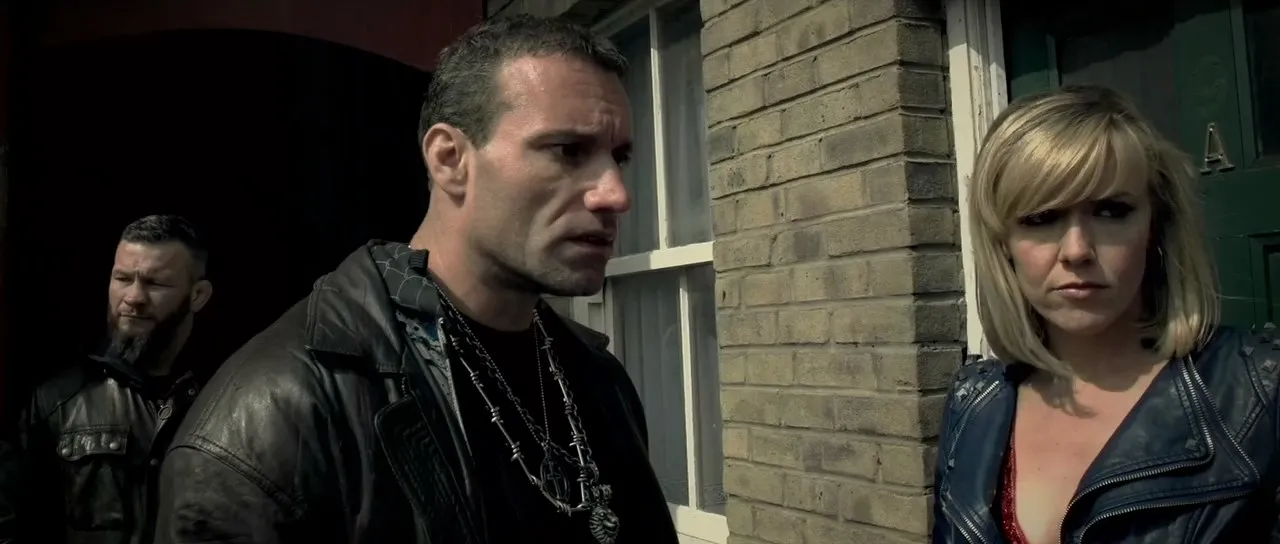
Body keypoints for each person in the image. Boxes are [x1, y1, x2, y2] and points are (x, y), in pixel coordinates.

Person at [153, 14, 678, 544]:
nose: (616, 195)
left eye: (619, 157)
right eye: (568, 151)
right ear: (450, 160)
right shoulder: (277, 418)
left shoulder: (598, 377)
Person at [931, 84, 1280, 543]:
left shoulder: (1260, 393)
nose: (1077, 250)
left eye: (1112, 211)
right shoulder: (973, 403)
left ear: (1155, 227)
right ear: (1003, 244)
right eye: (1041, 218)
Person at [14, 214, 214, 544]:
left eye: (155, 284)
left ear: (198, 295)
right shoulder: (57, 401)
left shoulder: (227, 395)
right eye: (122, 278)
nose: (133, 297)